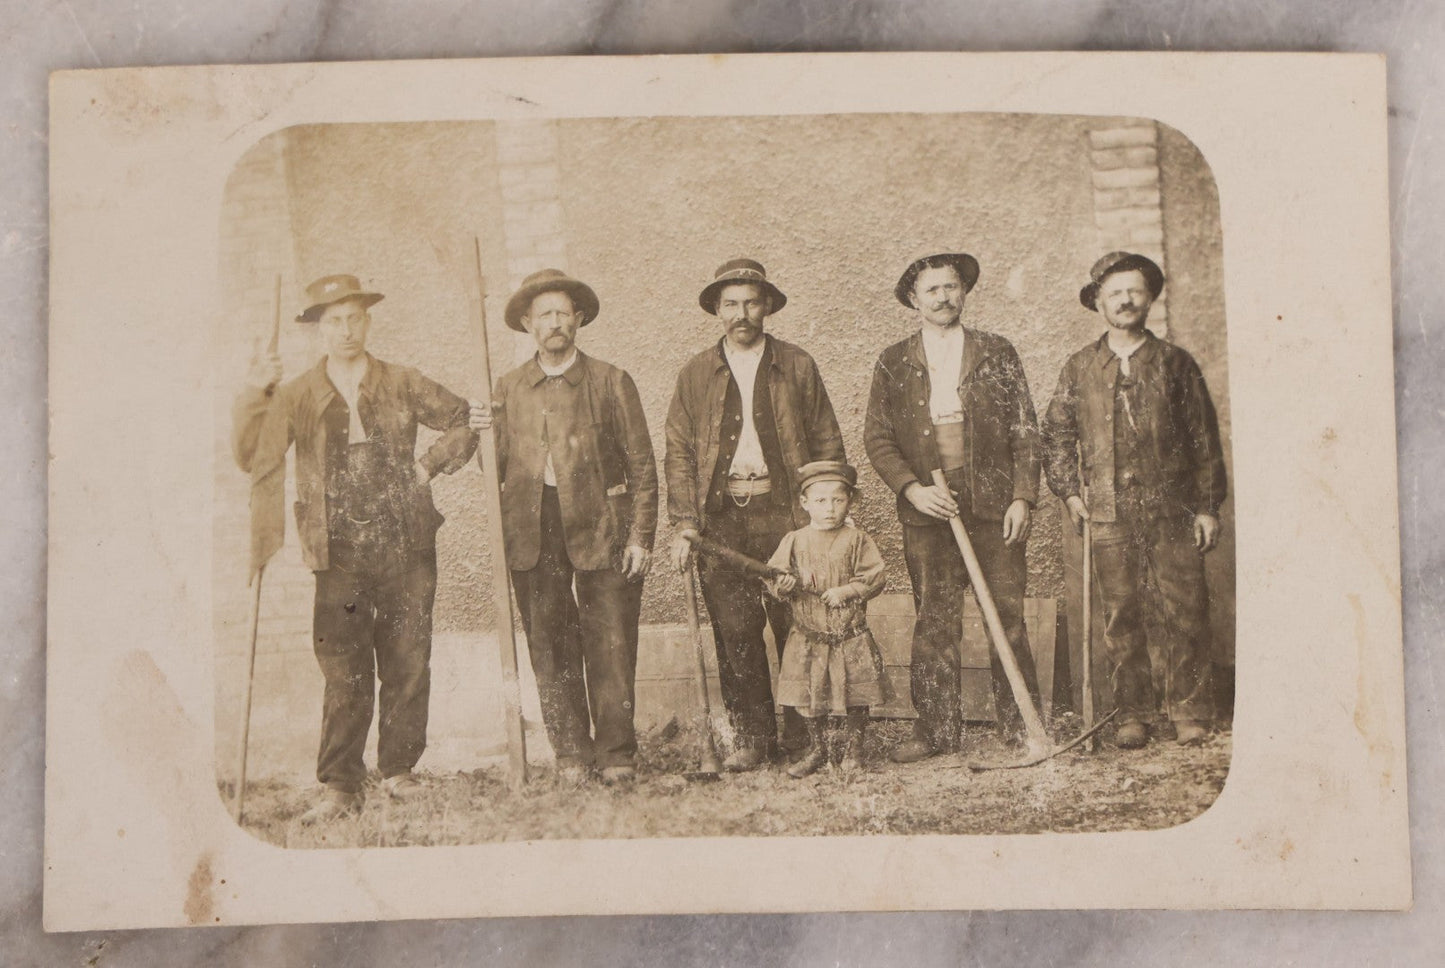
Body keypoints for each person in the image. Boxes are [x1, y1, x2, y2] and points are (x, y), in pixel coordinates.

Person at [232, 273, 477, 823]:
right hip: (337, 548)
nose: (346, 330)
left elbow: (463, 420)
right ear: (319, 331)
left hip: (405, 540)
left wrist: (427, 465)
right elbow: (254, 456)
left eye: (354, 318)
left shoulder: (401, 381)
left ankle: (399, 772)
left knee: (408, 656)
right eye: (333, 321)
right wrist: (254, 391)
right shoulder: (296, 394)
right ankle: (342, 782)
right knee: (344, 667)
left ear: (368, 322)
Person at [469, 269, 657, 784]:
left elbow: (643, 465)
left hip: (602, 526)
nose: (554, 323)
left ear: (578, 320)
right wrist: (485, 434)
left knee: (611, 640)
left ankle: (617, 752)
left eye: (562, 313)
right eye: (543, 315)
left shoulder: (610, 380)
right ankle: (572, 753)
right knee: (549, 643)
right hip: (534, 529)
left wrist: (641, 535)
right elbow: (496, 468)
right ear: (527, 324)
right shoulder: (508, 388)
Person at [664, 258, 845, 771]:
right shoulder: (696, 374)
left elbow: (828, 439)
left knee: (798, 624)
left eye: (751, 302)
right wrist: (685, 523)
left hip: (785, 513)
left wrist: (822, 513)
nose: (741, 313)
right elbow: (677, 451)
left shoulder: (797, 365)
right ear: (717, 311)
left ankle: (805, 737)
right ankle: (753, 739)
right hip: (721, 520)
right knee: (735, 631)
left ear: (766, 307)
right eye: (731, 304)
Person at [1041, 251, 1227, 748]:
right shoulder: (1079, 367)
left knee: (1184, 607)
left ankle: (1188, 710)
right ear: (1098, 302)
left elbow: (1203, 439)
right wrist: (1070, 493)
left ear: (1149, 300)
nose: (1125, 300)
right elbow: (1056, 435)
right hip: (1107, 511)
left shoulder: (1176, 364)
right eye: (1115, 292)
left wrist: (1208, 506)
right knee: (1121, 612)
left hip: (1173, 508)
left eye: (1135, 291)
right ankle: (1133, 712)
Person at [864, 252, 1042, 763]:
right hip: (928, 508)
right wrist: (912, 490)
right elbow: (877, 439)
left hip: (992, 503)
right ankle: (937, 731)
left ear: (964, 292)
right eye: (932, 290)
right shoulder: (893, 361)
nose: (943, 297)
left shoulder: (996, 351)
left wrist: (1022, 497)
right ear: (913, 301)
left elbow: (1025, 430)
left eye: (951, 287)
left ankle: (1021, 724)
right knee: (935, 621)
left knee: (1005, 616)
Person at [765, 461, 891, 778]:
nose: (830, 508)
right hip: (809, 635)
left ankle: (854, 751)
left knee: (855, 697)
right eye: (820, 500)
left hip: (848, 635)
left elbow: (875, 577)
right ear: (805, 503)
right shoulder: (794, 540)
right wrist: (785, 585)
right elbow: (774, 578)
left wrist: (847, 591)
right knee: (808, 697)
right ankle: (818, 748)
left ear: (850, 501)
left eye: (838, 499)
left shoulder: (857, 539)